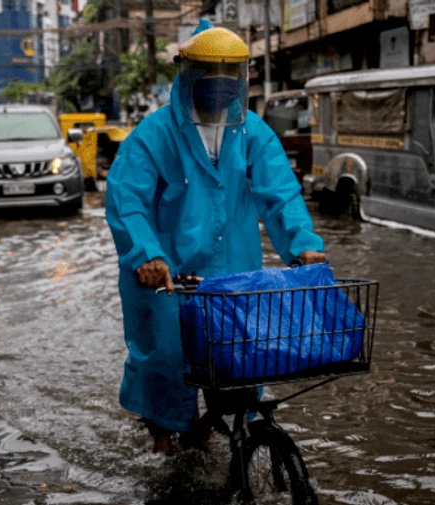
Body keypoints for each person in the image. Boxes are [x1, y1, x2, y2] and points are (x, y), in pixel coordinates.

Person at [106, 20, 327, 455]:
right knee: (167, 364)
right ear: (188, 73)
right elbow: (126, 201)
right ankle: (163, 443)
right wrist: (145, 254)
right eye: (212, 72)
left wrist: (303, 243)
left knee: (243, 363)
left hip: (233, 277)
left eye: (232, 73)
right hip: (168, 277)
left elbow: (280, 192)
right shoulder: (153, 135)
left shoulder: (252, 132)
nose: (222, 84)